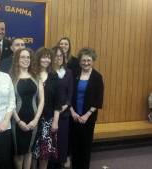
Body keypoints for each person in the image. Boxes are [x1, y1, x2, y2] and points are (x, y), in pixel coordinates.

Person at [9, 48, 45, 169]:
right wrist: (18, 121)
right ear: (17, 59)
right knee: (19, 153)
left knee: (29, 151)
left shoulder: (36, 77)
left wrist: (36, 120)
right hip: (17, 121)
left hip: (33, 121)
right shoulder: (11, 78)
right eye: (23, 57)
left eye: (28, 57)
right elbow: (10, 103)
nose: (26, 59)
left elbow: (42, 101)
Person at [70, 47, 104, 169]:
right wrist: (72, 112)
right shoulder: (74, 74)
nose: (86, 63)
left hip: (88, 118)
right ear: (80, 61)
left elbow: (98, 100)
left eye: (89, 60)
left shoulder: (97, 77)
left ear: (93, 60)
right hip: (73, 116)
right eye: (83, 60)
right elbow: (68, 94)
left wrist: (86, 115)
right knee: (74, 145)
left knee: (85, 146)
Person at [31, 47, 61, 169]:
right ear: (38, 58)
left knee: (44, 152)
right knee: (32, 151)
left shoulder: (54, 77)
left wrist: (55, 121)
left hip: (48, 120)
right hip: (32, 119)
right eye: (43, 57)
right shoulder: (32, 74)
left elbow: (58, 101)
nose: (46, 60)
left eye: (49, 57)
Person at [49, 46, 73, 169]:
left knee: (62, 141)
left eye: (61, 55)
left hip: (64, 113)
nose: (58, 58)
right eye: (56, 55)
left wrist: (65, 105)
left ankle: (59, 163)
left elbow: (70, 92)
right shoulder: (49, 72)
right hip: (50, 113)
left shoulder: (68, 72)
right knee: (51, 141)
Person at [57, 37, 78, 168]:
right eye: (61, 44)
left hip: (70, 99)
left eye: (66, 44)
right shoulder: (54, 60)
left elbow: (73, 80)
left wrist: (68, 104)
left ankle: (67, 156)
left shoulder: (74, 61)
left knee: (67, 132)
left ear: (69, 46)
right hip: (58, 102)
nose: (64, 45)